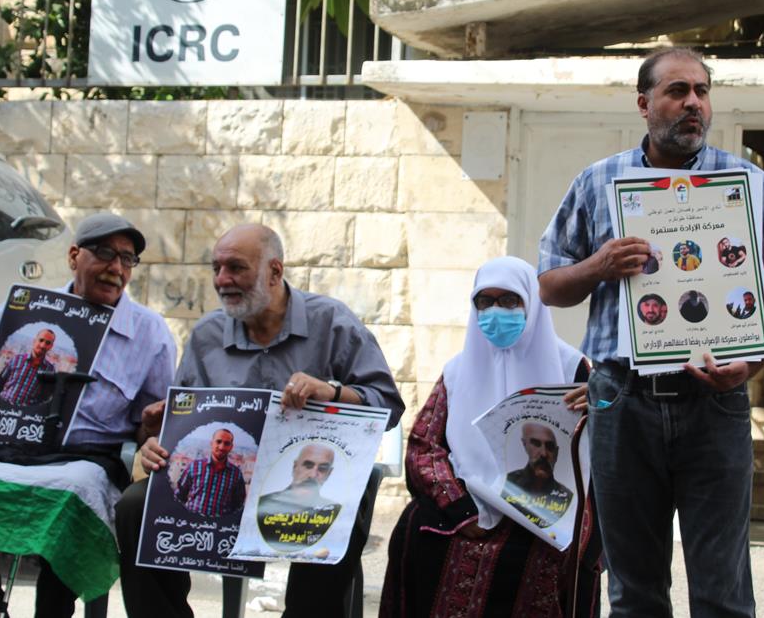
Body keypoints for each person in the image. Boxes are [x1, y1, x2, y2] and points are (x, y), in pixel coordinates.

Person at [538, 47, 764, 617]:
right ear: (644, 103)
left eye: (701, 92)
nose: (693, 103)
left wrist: (752, 364)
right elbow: (550, 285)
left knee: (723, 592)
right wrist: (599, 265)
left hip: (715, 403)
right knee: (633, 591)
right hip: (621, 401)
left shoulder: (748, 185)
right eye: (677, 91)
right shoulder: (598, 182)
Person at [115, 223, 403, 618]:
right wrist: (155, 440)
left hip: (302, 486)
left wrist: (332, 392)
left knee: (337, 514)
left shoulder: (332, 322)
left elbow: (388, 407)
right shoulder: (208, 334)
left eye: (236, 268)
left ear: (274, 271)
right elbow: (184, 422)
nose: (222, 280)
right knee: (136, 506)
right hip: (227, 487)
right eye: (216, 268)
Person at [0, 213, 176, 617]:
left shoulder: (151, 332)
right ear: (74, 256)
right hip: (6, 448)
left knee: (73, 495)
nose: (116, 268)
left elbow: (149, 431)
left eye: (127, 259)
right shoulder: (24, 309)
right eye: (105, 253)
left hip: (85, 462)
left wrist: (150, 426)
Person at [380, 256, 602, 617]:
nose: (495, 312)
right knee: (415, 529)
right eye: (485, 301)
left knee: (544, 558)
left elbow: (599, 447)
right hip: (470, 499)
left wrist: (600, 406)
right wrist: (460, 508)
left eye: (509, 300)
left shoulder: (572, 367)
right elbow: (424, 445)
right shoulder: (457, 371)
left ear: (532, 303)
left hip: (546, 508)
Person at [256, 443, 342, 550]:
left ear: (329, 474)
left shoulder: (335, 513)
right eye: (308, 465)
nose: (313, 475)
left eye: (322, 469)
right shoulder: (262, 504)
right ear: (295, 466)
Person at [500, 422, 573, 529]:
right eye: (536, 444)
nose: (544, 453)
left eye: (550, 447)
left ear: (556, 453)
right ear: (525, 445)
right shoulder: (505, 484)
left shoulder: (567, 498)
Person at [173, 428, 246, 517]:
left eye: (226, 443)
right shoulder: (195, 466)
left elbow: (238, 504)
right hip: (191, 520)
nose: (222, 447)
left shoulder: (236, 474)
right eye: (218, 442)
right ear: (211, 443)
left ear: (231, 447)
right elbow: (179, 495)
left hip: (219, 524)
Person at [0, 328, 56, 406]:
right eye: (41, 340)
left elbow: (44, 397)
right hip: (2, 406)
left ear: (51, 346)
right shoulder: (17, 359)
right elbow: (0, 383)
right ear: (34, 341)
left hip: (25, 411)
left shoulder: (49, 370)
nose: (43, 345)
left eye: (48, 343)